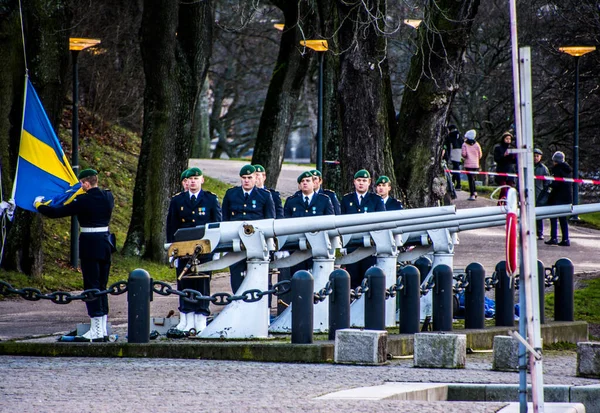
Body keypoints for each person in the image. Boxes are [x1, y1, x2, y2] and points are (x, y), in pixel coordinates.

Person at [35, 168, 114, 342]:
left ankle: (96, 329)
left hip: (90, 244)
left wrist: (39, 205)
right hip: (106, 243)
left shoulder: (83, 200)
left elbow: (57, 212)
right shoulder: (108, 196)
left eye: (81, 184)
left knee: (91, 286)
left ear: (85, 183)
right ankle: (103, 328)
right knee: (102, 286)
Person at [166, 167, 222, 337]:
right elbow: (171, 227)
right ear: (186, 182)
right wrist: (172, 251)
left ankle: (201, 320)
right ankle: (187, 318)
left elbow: (217, 225)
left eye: (196, 179)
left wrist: (216, 248)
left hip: (203, 251)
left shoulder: (210, 199)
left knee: (202, 283)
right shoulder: (178, 201)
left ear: (202, 180)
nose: (192, 181)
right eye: (190, 179)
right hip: (183, 250)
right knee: (184, 283)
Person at [222, 165, 276, 292]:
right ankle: (237, 301)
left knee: (258, 274)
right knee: (236, 275)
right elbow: (224, 219)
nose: (246, 180)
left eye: (249, 177)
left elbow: (270, 221)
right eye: (244, 178)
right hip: (236, 242)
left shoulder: (265, 196)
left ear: (255, 178)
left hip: (257, 243)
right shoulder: (231, 194)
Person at [283, 171, 334, 276]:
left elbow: (331, 223)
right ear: (299, 185)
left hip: (318, 248)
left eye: (308, 180)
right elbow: (285, 225)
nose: (305, 183)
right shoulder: (291, 201)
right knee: (298, 279)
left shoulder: (324, 200)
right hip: (297, 248)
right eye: (302, 181)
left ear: (313, 183)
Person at [341, 169, 385, 288]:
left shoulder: (376, 200)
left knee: (369, 281)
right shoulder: (346, 200)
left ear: (369, 182)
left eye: (364, 180)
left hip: (369, 248)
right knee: (352, 281)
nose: (361, 183)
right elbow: (342, 223)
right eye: (359, 180)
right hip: (351, 246)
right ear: (354, 182)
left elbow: (382, 223)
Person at [545, 151, 572, 247]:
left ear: (556, 161)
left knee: (553, 217)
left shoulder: (557, 169)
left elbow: (556, 183)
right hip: (566, 196)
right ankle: (565, 238)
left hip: (557, 196)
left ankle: (554, 237)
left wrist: (549, 184)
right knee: (563, 219)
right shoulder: (567, 170)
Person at [493, 131, 517, 202]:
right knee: (504, 190)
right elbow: (497, 159)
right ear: (503, 139)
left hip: (510, 172)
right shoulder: (498, 148)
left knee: (509, 190)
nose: (508, 140)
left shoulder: (512, 148)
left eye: (509, 139)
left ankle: (502, 204)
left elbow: (514, 162)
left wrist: (514, 157)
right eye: (506, 139)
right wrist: (504, 155)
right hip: (501, 171)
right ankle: (500, 205)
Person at [533, 148, 551, 240]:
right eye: (534, 156)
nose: (535, 158)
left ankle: (540, 232)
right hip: (528, 193)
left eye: (537, 156)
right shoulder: (527, 166)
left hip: (539, 193)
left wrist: (544, 192)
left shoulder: (543, 169)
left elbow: (547, 183)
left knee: (538, 215)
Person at [461, 129, 483, 201]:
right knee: (473, 178)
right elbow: (480, 154)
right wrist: (476, 159)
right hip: (475, 164)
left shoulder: (464, 144)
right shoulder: (477, 144)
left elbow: (464, 154)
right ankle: (475, 191)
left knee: (470, 179)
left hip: (468, 164)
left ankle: (472, 194)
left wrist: (465, 156)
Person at [443, 124, 463, 190]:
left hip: (453, 152)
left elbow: (448, 145)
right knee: (456, 168)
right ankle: (455, 183)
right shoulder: (459, 136)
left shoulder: (450, 136)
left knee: (455, 169)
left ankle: (458, 184)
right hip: (459, 153)